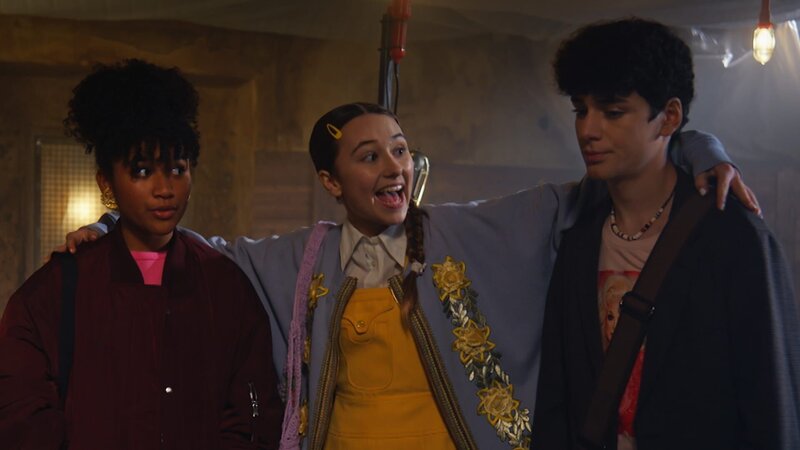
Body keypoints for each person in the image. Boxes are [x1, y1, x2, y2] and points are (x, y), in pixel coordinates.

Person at [67, 99, 756, 450]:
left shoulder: (478, 229)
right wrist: (106, 225)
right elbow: (189, 248)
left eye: (399, 150)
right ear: (330, 182)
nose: (393, 167)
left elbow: (608, 182)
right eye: (368, 156)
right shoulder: (296, 260)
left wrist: (699, 146)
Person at [533, 18, 800, 450]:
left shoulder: (733, 239)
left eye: (613, 111)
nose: (588, 130)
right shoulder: (578, 242)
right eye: (581, 110)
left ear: (668, 117)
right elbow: (557, 402)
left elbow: (772, 403)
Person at [0, 59, 282, 450]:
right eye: (143, 171)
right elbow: (21, 415)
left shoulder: (225, 285)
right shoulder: (54, 291)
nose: (165, 189)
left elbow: (254, 415)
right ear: (106, 182)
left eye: (178, 169)